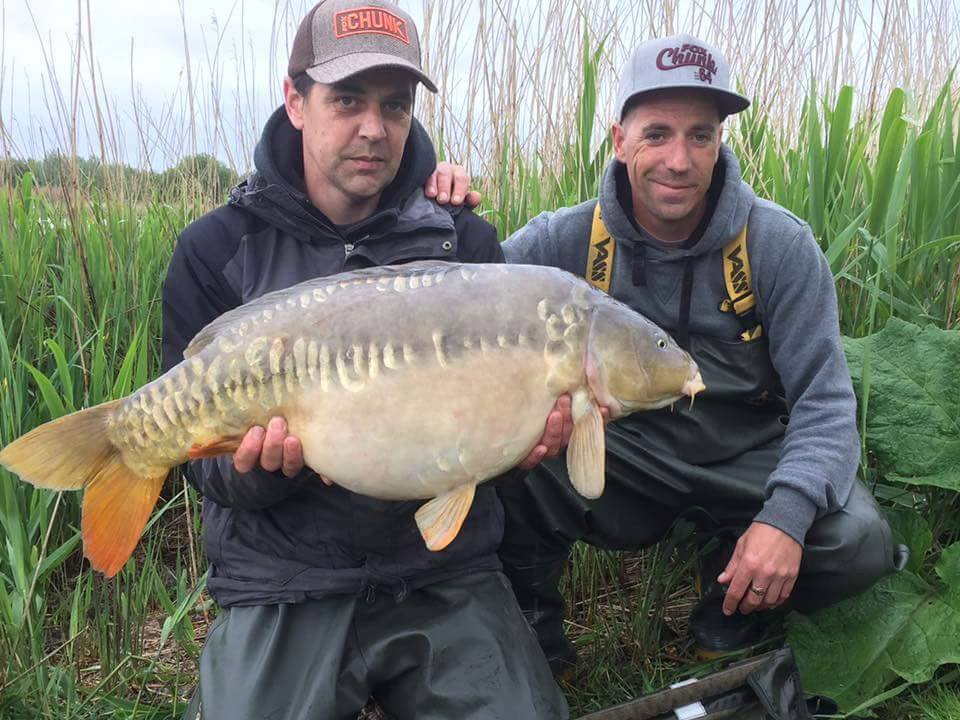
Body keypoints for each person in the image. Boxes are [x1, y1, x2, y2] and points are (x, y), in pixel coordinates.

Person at [163, 2, 569, 718]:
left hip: (441, 571)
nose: (373, 129)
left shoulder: (463, 244)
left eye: (395, 105)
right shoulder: (216, 251)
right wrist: (258, 470)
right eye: (347, 100)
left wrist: (526, 435)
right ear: (295, 100)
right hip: (288, 575)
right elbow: (205, 471)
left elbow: (491, 430)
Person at [499, 34, 907, 674]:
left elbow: (826, 403)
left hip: (745, 456)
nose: (679, 160)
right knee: (505, 463)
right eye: (657, 134)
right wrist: (438, 202)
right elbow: (458, 294)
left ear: (721, 141)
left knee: (858, 542)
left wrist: (786, 517)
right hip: (626, 459)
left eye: (701, 135)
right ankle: (535, 637)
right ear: (619, 140)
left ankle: (729, 608)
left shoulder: (777, 245)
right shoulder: (560, 240)